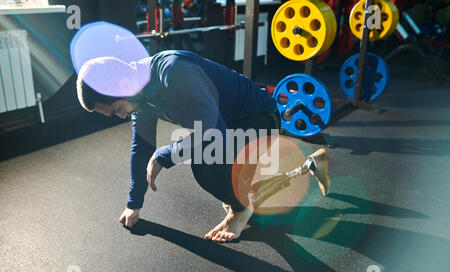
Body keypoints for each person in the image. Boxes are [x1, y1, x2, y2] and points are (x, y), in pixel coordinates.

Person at [76, 50, 330, 243]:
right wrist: (134, 203)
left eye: (117, 109)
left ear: (123, 86)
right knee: (219, 167)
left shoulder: (173, 73)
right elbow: (141, 149)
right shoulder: (140, 99)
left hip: (260, 119)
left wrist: (166, 154)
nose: (120, 116)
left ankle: (241, 211)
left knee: (205, 162)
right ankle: (308, 166)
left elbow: (213, 134)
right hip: (227, 125)